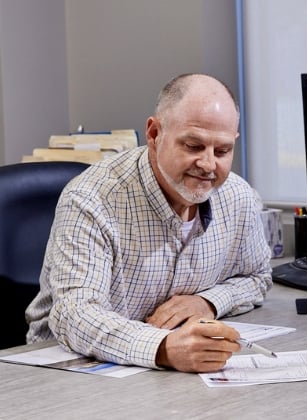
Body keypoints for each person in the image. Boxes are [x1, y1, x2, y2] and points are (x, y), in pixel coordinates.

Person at [26, 73, 273, 373]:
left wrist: (207, 302)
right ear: (154, 134)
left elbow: (258, 277)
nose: (209, 165)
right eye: (194, 146)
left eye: (222, 151)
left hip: (170, 376)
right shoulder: (91, 199)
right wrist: (165, 348)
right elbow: (75, 316)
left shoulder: (236, 195)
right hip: (68, 372)